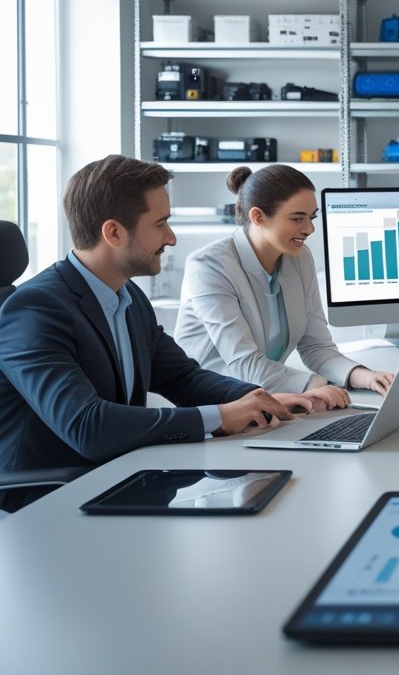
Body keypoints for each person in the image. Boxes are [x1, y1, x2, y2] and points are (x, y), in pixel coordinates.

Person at [0, 156, 314, 510]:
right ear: (114, 232)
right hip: (48, 505)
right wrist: (220, 416)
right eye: (161, 223)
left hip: (121, 480)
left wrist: (258, 398)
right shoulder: (33, 311)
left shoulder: (128, 295)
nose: (172, 237)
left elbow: (182, 377)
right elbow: (87, 426)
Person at [175, 165, 394, 401]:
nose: (309, 229)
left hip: (265, 398)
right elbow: (245, 365)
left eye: (312, 217)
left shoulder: (299, 258)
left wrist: (364, 376)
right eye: (297, 218)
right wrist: (316, 385)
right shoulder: (209, 266)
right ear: (258, 217)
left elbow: (316, 346)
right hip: (212, 405)